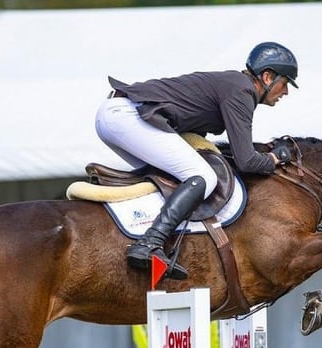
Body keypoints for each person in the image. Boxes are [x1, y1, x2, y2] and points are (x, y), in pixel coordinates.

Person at [95, 41, 298, 280]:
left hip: (117, 115)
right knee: (203, 177)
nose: (286, 92)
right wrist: (274, 158)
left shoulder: (234, 85)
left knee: (171, 179)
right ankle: (150, 243)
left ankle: (140, 235)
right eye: (285, 83)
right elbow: (246, 161)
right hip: (127, 117)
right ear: (267, 76)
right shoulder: (242, 90)